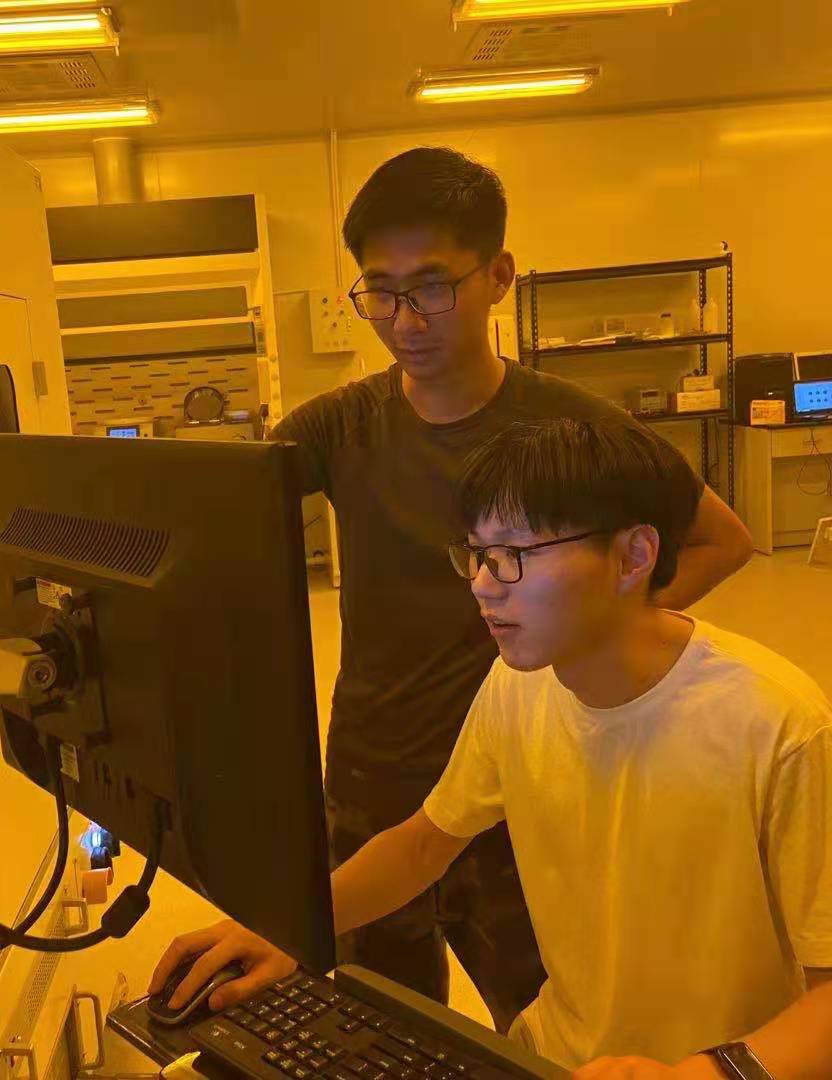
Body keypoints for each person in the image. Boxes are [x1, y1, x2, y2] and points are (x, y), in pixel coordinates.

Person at [152, 419, 832, 1080]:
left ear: (634, 556)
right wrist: (288, 928)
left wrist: (702, 1074)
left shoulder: (776, 722)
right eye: (477, 555)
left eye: (515, 553)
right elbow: (423, 845)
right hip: (554, 1053)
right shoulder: (521, 685)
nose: (484, 586)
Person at [263, 146, 754, 1033]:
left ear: (498, 276)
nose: (405, 320)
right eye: (382, 292)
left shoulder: (567, 428)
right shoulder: (342, 426)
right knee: (381, 1028)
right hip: (378, 775)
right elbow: (210, 518)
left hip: (527, 777)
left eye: (432, 287)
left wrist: (601, 627)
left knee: (547, 1027)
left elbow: (722, 538)